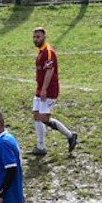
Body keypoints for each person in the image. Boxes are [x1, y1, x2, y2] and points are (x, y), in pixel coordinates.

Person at [31, 27, 78, 156]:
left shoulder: (48, 52)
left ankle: (70, 135)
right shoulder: (41, 51)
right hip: (40, 89)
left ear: (44, 37)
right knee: (36, 116)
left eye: (38, 37)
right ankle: (41, 147)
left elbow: (50, 71)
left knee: (44, 118)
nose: (36, 39)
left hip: (49, 91)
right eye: (34, 37)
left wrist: (45, 89)